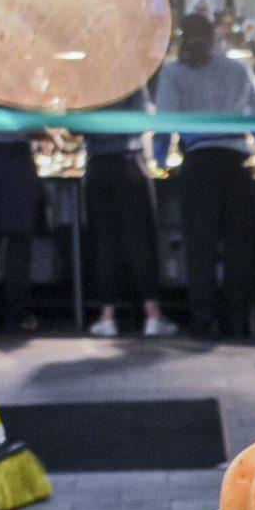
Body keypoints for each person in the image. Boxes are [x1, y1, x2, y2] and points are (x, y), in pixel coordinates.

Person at [154, 13, 255, 339]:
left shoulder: (173, 72)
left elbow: (164, 124)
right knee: (238, 247)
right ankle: (238, 322)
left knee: (200, 248)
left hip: (198, 165)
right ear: (215, 36)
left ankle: (204, 322)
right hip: (235, 166)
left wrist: (161, 160)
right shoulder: (238, 68)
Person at [85, 88, 178, 338]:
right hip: (129, 161)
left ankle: (107, 318)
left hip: (96, 165)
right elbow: (144, 120)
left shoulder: (86, 80)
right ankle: (153, 316)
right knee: (140, 239)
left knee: (104, 242)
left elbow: (75, 126)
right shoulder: (129, 78)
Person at [0, 130, 40, 333]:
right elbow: (33, 121)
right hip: (16, 157)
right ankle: (16, 315)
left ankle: (15, 314)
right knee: (19, 242)